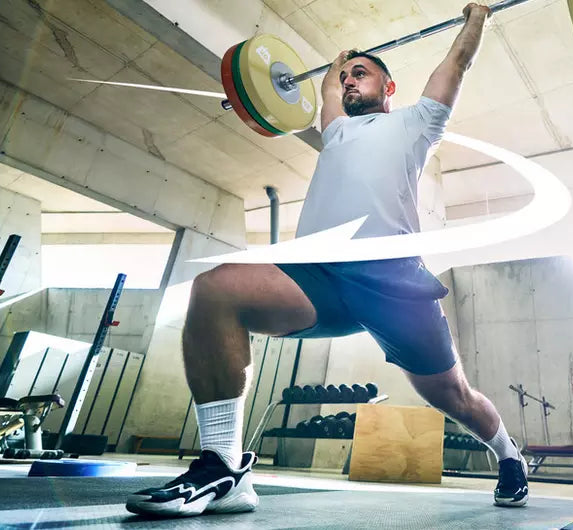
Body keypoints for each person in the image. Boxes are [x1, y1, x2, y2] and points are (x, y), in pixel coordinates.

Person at [126, 3, 529, 518]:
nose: (348, 81)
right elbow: (327, 96)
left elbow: (457, 63)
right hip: (318, 276)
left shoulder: (418, 122)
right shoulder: (334, 131)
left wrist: (476, 18)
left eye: (361, 73)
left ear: (389, 88)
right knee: (215, 289)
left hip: (393, 283)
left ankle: (509, 456)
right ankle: (224, 470)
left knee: (454, 396)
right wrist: (336, 66)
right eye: (344, 78)